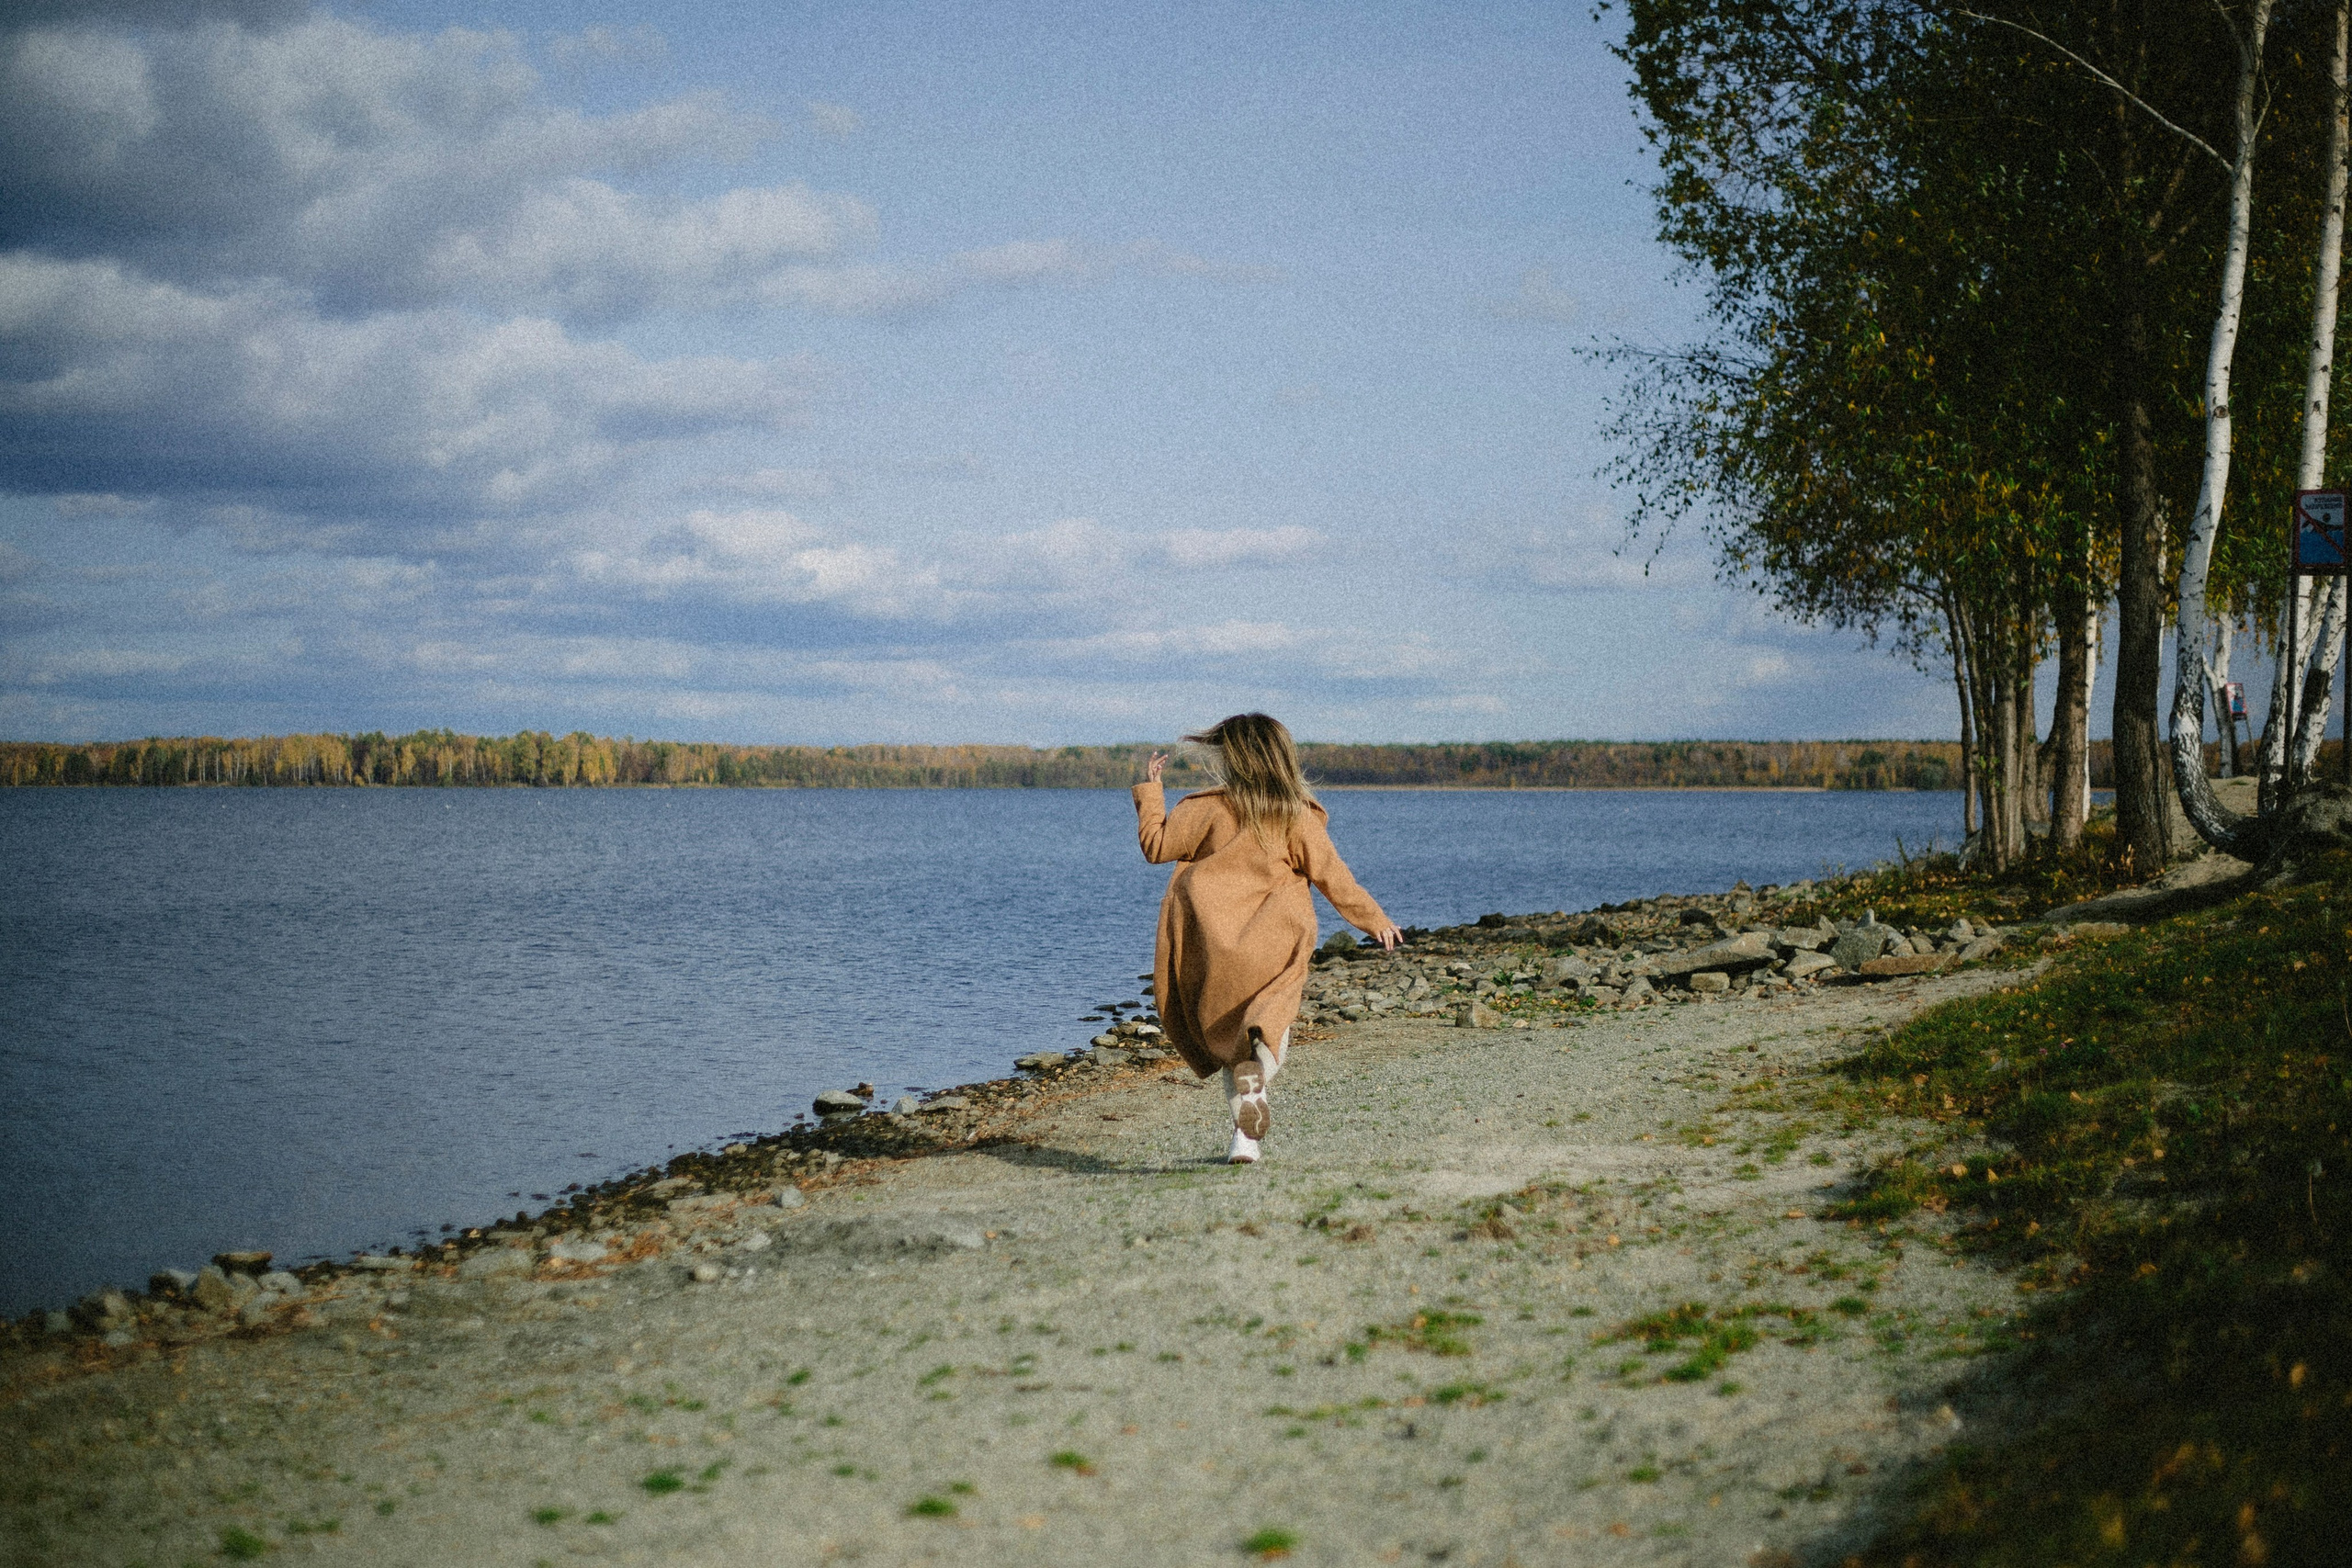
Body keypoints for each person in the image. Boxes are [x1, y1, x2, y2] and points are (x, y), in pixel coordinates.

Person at [1132, 713, 1401, 1164]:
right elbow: (1335, 878)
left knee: (1229, 1045)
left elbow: (1156, 847)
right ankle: (1251, 1108)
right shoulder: (1294, 815)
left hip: (1218, 950)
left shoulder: (1205, 808)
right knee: (1270, 1033)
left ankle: (1245, 1141)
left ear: (1233, 757)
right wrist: (1374, 921)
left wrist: (1152, 792)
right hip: (1275, 946)